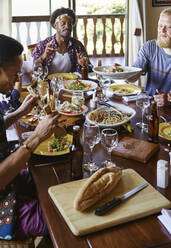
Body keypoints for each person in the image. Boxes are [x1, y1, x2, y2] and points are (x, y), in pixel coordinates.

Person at [0, 34, 59, 239]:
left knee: (52, 184)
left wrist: (19, 113)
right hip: (2, 206)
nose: (18, 80)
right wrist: (36, 137)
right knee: (58, 218)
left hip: (9, 184)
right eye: (14, 74)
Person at [128, 8, 171, 107]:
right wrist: (122, 72)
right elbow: (132, 76)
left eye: (169, 27)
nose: (162, 30)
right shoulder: (149, 47)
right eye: (160, 26)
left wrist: (169, 101)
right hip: (149, 107)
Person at [32, 7, 92, 74]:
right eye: (63, 23)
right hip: (48, 83)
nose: (67, 26)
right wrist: (43, 56)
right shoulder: (43, 45)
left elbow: (90, 69)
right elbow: (33, 68)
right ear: (55, 25)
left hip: (72, 83)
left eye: (70, 24)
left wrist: (84, 65)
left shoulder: (78, 46)